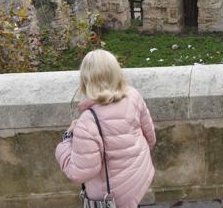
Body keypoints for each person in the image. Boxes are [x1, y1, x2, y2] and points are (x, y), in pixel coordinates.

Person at [55, 49, 156, 208]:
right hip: (139, 178)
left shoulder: (88, 122)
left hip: (113, 196)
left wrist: (66, 140)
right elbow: (150, 137)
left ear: (86, 80)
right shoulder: (133, 95)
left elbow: (79, 172)